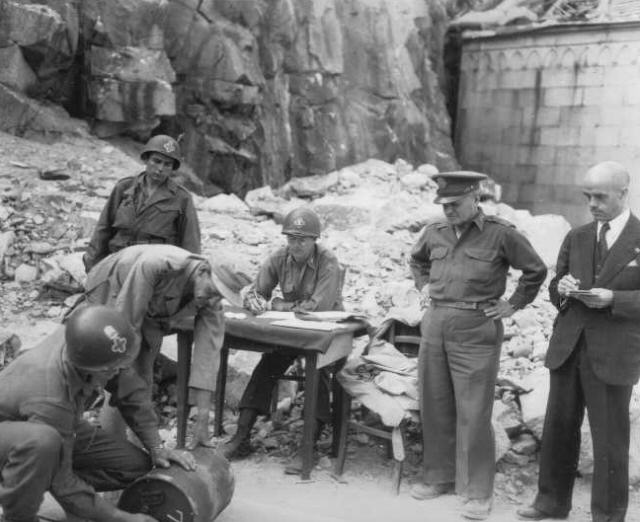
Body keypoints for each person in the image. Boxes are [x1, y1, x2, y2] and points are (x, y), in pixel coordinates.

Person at [409, 171, 547, 520]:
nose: (449, 211)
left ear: (475, 197)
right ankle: (437, 476)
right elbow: (418, 259)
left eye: (455, 204)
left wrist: (512, 304)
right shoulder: (434, 231)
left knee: (473, 412)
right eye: (444, 205)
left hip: (476, 328)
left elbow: (534, 270)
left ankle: (477, 491)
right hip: (436, 323)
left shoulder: (501, 234)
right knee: (434, 404)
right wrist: (424, 286)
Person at [517, 161, 640, 522]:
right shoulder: (578, 236)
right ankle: (550, 503)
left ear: (623, 193)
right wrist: (563, 288)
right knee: (558, 429)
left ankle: (607, 515)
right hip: (569, 348)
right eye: (587, 196)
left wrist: (615, 299)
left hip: (613, 354)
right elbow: (556, 291)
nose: (592, 204)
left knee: (609, 441)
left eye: (600, 196)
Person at [0, 305, 196, 522]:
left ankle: (71, 495)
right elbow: (60, 474)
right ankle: (21, 502)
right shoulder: (50, 398)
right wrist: (121, 518)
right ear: (91, 369)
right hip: (14, 442)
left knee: (135, 466)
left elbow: (130, 390)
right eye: (112, 370)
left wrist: (156, 447)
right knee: (45, 449)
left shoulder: (91, 347)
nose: (118, 372)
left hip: (57, 426)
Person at [83, 244, 251, 447]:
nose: (214, 299)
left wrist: (203, 419)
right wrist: (125, 370)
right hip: (111, 288)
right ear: (203, 271)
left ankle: (137, 448)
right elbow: (126, 323)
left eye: (221, 296)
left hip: (153, 309)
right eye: (213, 291)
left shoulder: (210, 296)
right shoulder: (157, 266)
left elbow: (207, 355)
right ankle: (110, 445)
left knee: (143, 378)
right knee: (117, 372)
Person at [222, 207, 343, 472]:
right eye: (291, 238)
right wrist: (257, 299)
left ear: (314, 240)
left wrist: (279, 305)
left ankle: (308, 447)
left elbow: (317, 309)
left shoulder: (328, 262)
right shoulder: (279, 257)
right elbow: (256, 293)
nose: (295, 245)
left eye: (302, 239)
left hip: (326, 333)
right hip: (292, 332)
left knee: (318, 372)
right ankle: (241, 437)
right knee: (266, 366)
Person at [83, 134, 201, 273]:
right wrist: (92, 267)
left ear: (173, 168)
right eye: (156, 161)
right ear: (146, 160)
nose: (160, 168)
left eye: (167, 164)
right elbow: (103, 230)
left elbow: (190, 243)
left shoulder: (182, 198)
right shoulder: (124, 188)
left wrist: (188, 279)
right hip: (117, 262)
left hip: (155, 270)